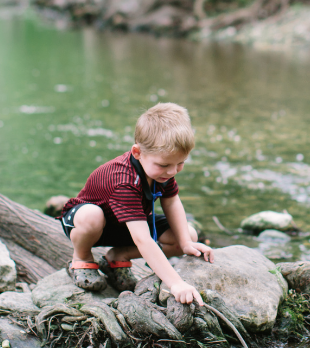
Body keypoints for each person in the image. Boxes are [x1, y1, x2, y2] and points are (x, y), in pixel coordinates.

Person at [58, 103, 213, 304]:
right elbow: (143, 239)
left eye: (180, 163)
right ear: (137, 152)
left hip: (127, 224)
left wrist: (185, 243)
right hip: (90, 223)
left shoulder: (161, 171)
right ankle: (82, 258)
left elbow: (172, 201)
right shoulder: (124, 180)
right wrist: (176, 283)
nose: (172, 171)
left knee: (189, 234)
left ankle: (118, 256)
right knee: (91, 216)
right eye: (165, 165)